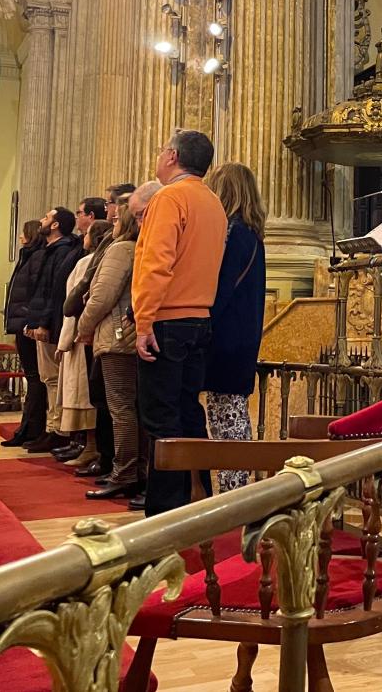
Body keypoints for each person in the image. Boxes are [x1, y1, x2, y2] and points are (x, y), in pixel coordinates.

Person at [133, 130, 228, 515]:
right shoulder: (214, 203)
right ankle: (197, 497)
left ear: (172, 156)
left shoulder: (170, 197)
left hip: (166, 322)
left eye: (160, 151)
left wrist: (143, 322)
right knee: (190, 411)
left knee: (160, 418)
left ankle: (164, 511)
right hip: (200, 319)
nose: (158, 157)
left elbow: (156, 263)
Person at [203, 162, 267, 494]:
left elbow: (221, 287)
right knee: (230, 411)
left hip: (227, 337)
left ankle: (235, 491)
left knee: (227, 415)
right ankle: (236, 486)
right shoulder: (251, 233)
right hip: (241, 336)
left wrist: (201, 321)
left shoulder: (233, 232)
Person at [77, 206, 144, 499]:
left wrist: (83, 325)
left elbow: (102, 295)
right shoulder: (139, 246)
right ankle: (133, 470)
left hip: (117, 337)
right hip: (129, 335)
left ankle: (125, 472)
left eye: (116, 218)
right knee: (130, 408)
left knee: (121, 409)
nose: (112, 222)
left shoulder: (121, 250)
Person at [21, 207, 84, 453]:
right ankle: (51, 428)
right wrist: (33, 320)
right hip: (40, 320)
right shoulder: (49, 250)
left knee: (53, 379)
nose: (41, 220)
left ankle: (58, 430)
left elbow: (53, 291)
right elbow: (39, 290)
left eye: (47, 217)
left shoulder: (63, 251)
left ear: (56, 225)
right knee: (48, 378)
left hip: (51, 323)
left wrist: (43, 322)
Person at [56, 221, 111, 465]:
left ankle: (92, 448)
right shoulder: (86, 261)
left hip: (83, 335)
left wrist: (65, 340)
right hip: (86, 333)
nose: (83, 236)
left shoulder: (89, 263)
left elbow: (76, 304)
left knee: (87, 397)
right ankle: (83, 445)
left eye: (87, 233)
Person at [2, 220, 48, 447]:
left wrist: (27, 316)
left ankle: (32, 429)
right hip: (22, 321)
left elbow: (35, 291)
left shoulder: (37, 257)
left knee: (35, 377)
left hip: (28, 323)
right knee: (33, 377)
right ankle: (27, 428)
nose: (20, 236)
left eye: (23, 232)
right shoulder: (28, 256)